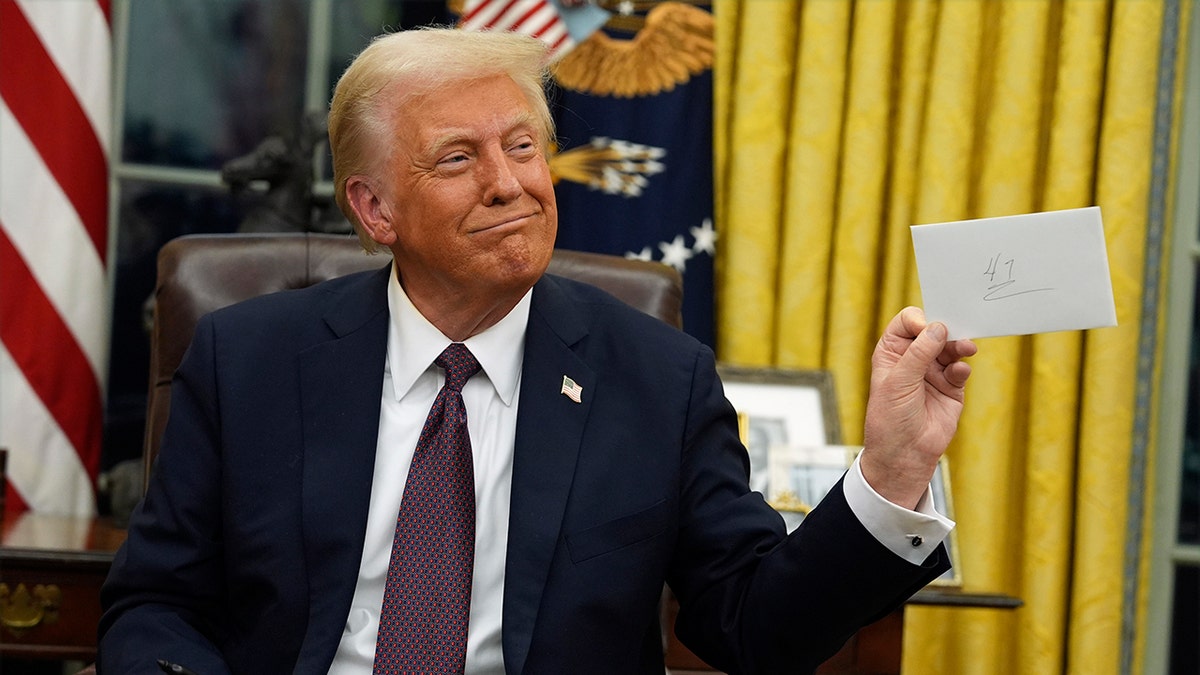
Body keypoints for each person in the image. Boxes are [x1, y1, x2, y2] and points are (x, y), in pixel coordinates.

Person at [98, 27, 977, 675]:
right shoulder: (249, 359)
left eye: (523, 146)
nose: (509, 183)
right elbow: (154, 605)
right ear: (374, 209)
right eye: (457, 159)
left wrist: (892, 471)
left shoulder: (657, 380)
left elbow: (756, 627)